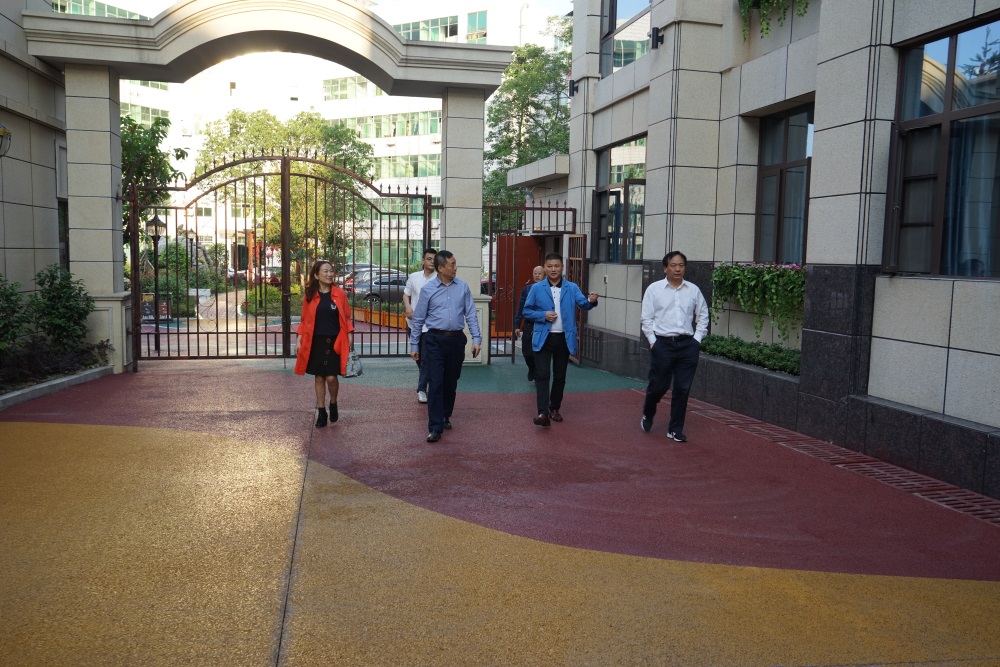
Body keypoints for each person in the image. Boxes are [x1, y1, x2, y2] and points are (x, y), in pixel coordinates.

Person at [410, 251, 482, 442]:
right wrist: (414, 344)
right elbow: (418, 319)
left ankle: (445, 415)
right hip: (434, 340)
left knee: (451, 381)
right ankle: (435, 426)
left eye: (455, 264)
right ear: (441, 268)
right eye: (452, 265)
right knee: (435, 383)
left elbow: (471, 314)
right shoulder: (428, 289)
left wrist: (476, 339)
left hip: (456, 340)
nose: (455, 268)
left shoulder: (463, 287)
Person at [639, 250, 709, 442]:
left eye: (681, 265)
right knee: (658, 386)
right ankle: (648, 412)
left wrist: (697, 339)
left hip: (687, 346)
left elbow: (703, 315)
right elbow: (646, 318)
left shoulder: (693, 290)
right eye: (673, 265)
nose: (678, 269)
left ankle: (675, 429)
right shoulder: (654, 289)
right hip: (662, 344)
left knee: (682, 388)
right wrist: (653, 341)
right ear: (665, 268)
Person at [523, 252, 599, 427]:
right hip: (543, 337)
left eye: (556, 266)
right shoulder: (536, 288)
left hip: (564, 338)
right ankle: (543, 413)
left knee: (560, 375)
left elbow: (584, 304)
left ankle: (554, 408)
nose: (553, 269)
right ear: (545, 268)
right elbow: (527, 311)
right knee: (542, 375)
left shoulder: (572, 287)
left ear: (562, 267)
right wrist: (543, 315)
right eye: (549, 266)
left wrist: (592, 300)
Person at [294, 260, 354, 428]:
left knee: (331, 377)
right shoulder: (310, 295)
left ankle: (333, 403)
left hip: (335, 341)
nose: (329, 274)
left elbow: (347, 318)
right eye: (325, 271)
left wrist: (349, 336)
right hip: (315, 341)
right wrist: (299, 339)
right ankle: (321, 411)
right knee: (319, 377)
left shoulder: (340, 294)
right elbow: (304, 320)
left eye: (331, 271)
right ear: (316, 275)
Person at [403, 248, 437, 403]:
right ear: (423, 260)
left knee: (425, 360)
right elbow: (406, 294)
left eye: (434, 259)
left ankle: (422, 389)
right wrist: (408, 307)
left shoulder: (438, 279)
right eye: (429, 259)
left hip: (429, 326)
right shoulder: (414, 277)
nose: (432, 262)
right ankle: (428, 378)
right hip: (413, 324)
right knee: (418, 358)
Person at [514, 265, 545, 382]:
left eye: (539, 273)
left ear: (544, 275)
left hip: (542, 324)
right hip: (529, 325)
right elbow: (521, 307)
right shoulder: (526, 289)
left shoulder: (548, 290)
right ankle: (531, 368)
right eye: (535, 273)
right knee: (527, 352)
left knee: (540, 353)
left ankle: (538, 375)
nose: (537, 275)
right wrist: (517, 325)